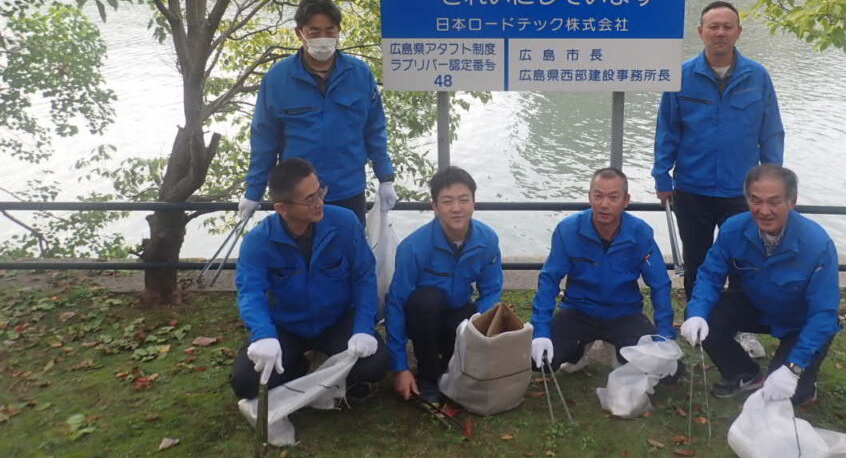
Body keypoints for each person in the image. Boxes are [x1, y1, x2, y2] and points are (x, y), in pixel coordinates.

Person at [653, 0, 785, 299]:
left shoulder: (757, 76)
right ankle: (695, 318)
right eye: (714, 27)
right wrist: (662, 176)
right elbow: (667, 130)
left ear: (739, 32)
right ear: (701, 32)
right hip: (691, 188)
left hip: (742, 190)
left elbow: (772, 132)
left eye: (727, 27)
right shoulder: (682, 76)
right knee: (696, 260)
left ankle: (739, 324)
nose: (720, 33)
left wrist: (774, 180)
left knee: (744, 259)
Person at [680, 164, 840, 406]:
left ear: (792, 201)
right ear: (746, 199)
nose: (764, 211)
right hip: (757, 306)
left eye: (774, 202)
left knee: (783, 397)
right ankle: (744, 373)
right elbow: (710, 275)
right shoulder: (733, 229)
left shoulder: (817, 244)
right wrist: (697, 314)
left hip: (800, 321)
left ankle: (803, 377)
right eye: (756, 200)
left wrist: (793, 367)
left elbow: (824, 313)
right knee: (705, 316)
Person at [231, 158, 390, 401]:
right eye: (310, 199)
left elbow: (364, 277)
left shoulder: (345, 222)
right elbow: (250, 293)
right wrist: (264, 334)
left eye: (320, 192)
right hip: (287, 324)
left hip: (336, 320)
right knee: (246, 383)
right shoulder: (258, 241)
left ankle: (327, 369)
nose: (320, 202)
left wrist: (363, 329)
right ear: (282, 208)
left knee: (375, 365)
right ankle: (300, 366)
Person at [239, 0, 396, 225]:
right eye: (314, 31)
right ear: (299, 33)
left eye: (329, 30)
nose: (323, 38)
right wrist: (253, 192)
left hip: (348, 191)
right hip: (297, 197)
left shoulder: (359, 74)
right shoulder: (278, 78)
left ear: (338, 31)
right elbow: (264, 139)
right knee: (297, 258)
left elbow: (374, 130)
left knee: (348, 256)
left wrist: (386, 178)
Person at [530, 168, 676, 372]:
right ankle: (577, 353)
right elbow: (549, 280)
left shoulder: (640, 233)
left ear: (626, 200)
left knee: (668, 371)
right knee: (539, 362)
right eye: (598, 196)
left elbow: (660, 284)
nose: (604, 204)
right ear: (589, 197)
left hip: (624, 313)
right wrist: (541, 332)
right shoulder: (568, 230)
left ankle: (620, 351)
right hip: (578, 311)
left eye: (613, 197)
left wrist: (664, 335)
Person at [386, 166, 503, 404]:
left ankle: (453, 367)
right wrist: (400, 367)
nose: (457, 208)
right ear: (435, 207)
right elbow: (396, 303)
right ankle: (426, 375)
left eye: (464, 200)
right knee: (426, 300)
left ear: (474, 203)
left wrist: (480, 326)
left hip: (457, 315)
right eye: (447, 201)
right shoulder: (413, 248)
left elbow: (491, 289)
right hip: (422, 319)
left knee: (471, 315)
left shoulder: (487, 239)